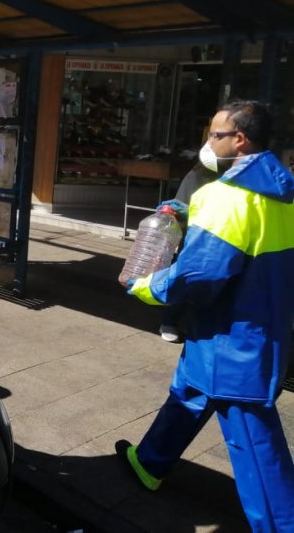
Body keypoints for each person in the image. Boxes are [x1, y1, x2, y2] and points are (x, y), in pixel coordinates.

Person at [118, 100, 294, 532]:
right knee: (188, 394)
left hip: (231, 341)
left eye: (215, 134)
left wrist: (147, 287)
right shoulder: (283, 194)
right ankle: (148, 462)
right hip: (256, 329)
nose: (207, 143)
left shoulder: (225, 197)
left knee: (255, 446)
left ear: (240, 140)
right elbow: (245, 239)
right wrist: (188, 212)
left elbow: (199, 275)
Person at [156, 161, 217, 342]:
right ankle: (170, 321)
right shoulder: (198, 175)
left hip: (225, 240)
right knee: (185, 277)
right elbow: (179, 211)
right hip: (196, 238)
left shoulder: (242, 177)